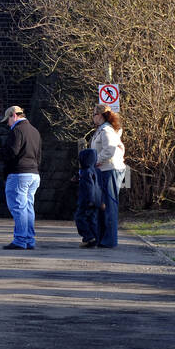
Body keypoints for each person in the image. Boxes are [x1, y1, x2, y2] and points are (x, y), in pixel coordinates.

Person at [0, 105, 42, 249]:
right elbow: (39, 156)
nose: (7, 123)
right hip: (34, 174)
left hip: (19, 174)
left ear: (14, 115)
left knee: (18, 208)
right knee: (28, 208)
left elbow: (12, 152)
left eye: (8, 120)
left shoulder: (17, 131)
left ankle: (20, 240)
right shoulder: (35, 131)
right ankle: (29, 240)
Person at [90, 105, 125, 248]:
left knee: (109, 205)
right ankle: (103, 238)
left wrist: (96, 161)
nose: (92, 117)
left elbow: (110, 149)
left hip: (109, 170)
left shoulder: (106, 130)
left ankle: (109, 240)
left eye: (94, 114)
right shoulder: (104, 130)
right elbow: (120, 148)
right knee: (103, 205)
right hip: (106, 169)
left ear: (100, 115)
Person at [74, 148, 103, 248]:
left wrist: (89, 200)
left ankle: (88, 237)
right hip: (96, 201)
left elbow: (89, 186)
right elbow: (99, 187)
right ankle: (94, 239)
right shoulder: (97, 171)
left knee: (80, 218)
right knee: (92, 220)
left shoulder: (85, 172)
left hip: (86, 200)